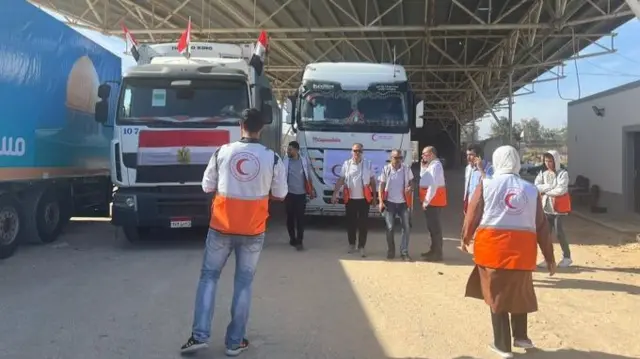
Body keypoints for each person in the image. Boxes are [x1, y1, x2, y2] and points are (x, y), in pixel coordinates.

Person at [180, 108, 287, 356]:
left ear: (241, 125)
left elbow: (207, 186)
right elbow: (281, 194)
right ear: (262, 128)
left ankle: (199, 336)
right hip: (252, 230)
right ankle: (234, 342)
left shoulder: (222, 152)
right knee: (243, 284)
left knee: (208, 278)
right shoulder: (272, 158)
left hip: (221, 227)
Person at [461, 145, 556, 359]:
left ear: (496, 161)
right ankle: (521, 336)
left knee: (497, 295)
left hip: (493, 250)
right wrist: (549, 257)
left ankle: (502, 345)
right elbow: (542, 226)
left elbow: (472, 213)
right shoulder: (531, 190)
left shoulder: (487, 184)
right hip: (523, 251)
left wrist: (465, 237)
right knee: (518, 290)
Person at [331, 143, 376, 257]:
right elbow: (341, 180)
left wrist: (374, 197)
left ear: (362, 152)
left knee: (363, 224)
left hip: (363, 200)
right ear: (351, 152)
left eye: (359, 151)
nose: (357, 153)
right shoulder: (347, 164)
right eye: (355, 151)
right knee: (351, 223)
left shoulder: (368, 164)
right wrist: (335, 194)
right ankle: (351, 244)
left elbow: (372, 181)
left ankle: (361, 246)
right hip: (350, 199)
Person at [534, 150, 573, 268]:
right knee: (546, 234)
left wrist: (545, 190)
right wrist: (550, 187)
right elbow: (536, 186)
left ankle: (567, 257)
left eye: (550, 161)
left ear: (555, 161)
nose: (548, 163)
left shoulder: (563, 174)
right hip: (546, 208)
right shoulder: (543, 174)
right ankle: (548, 258)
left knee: (559, 232)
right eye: (546, 161)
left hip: (558, 208)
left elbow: (561, 190)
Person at [378, 149, 414, 260]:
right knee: (390, 228)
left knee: (406, 228)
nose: (398, 160)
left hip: (403, 203)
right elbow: (381, 186)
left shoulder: (406, 169)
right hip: (390, 203)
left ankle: (404, 252)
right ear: (391, 158)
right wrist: (380, 201)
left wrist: (411, 187)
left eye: (400, 158)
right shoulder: (386, 169)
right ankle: (391, 251)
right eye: (395, 158)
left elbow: (412, 182)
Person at [283, 141, 315, 251]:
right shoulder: (285, 161)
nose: (288, 151)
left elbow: (308, 176)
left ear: (296, 150)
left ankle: (300, 241)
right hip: (289, 195)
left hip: (301, 195)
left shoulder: (304, 161)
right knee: (290, 218)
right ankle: (292, 238)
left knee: (300, 219)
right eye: (288, 149)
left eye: (290, 149)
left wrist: (312, 189)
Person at [419, 146, 447, 262]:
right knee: (431, 228)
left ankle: (437, 253)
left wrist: (426, 201)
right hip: (431, 200)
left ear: (431, 154)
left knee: (435, 229)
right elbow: (423, 176)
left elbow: (433, 185)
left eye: (424, 154)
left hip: (433, 201)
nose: (422, 156)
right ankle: (433, 250)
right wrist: (423, 166)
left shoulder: (436, 166)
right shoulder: (431, 165)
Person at [464, 143, 494, 214]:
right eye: (467, 155)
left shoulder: (489, 168)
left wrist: (480, 169)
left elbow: (490, 185)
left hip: (482, 205)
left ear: (479, 156)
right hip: (469, 202)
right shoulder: (468, 168)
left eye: (471, 155)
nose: (468, 158)